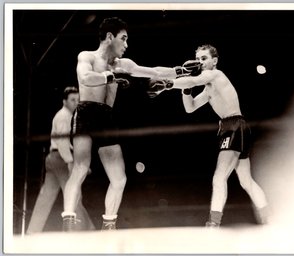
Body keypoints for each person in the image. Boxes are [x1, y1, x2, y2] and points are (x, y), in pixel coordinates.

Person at [61, 17, 200, 231]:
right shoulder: (87, 56)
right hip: (86, 113)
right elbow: (86, 78)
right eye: (123, 39)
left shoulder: (122, 65)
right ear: (109, 37)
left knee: (119, 178)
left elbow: (152, 71)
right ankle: (67, 224)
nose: (126, 45)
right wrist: (109, 78)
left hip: (106, 117)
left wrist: (180, 70)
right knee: (80, 168)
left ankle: (109, 226)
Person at [147, 44, 269, 227]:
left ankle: (213, 224)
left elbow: (194, 81)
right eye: (197, 59)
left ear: (214, 61)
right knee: (246, 181)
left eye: (204, 58)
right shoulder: (209, 88)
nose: (200, 63)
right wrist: (184, 88)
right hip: (232, 128)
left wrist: (167, 84)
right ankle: (268, 218)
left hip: (234, 126)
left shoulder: (216, 75)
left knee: (219, 178)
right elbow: (190, 107)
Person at [27, 87, 95, 234]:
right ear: (64, 101)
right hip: (61, 158)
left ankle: (31, 233)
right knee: (73, 194)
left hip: (54, 159)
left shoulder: (67, 115)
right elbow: (63, 143)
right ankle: (88, 231)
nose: (76, 103)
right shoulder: (64, 116)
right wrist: (71, 162)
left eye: (78, 100)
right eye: (72, 100)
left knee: (45, 199)